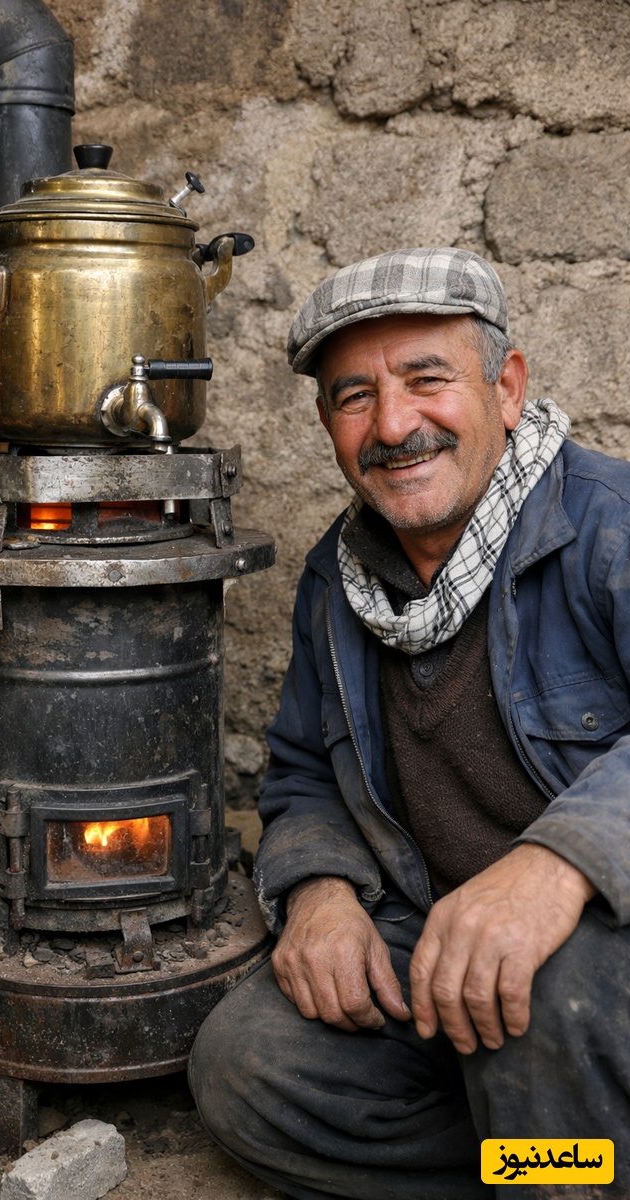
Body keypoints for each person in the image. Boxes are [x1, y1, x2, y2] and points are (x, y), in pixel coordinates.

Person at [189, 248, 630, 1199]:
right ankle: (551, 1163)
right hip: (437, 941)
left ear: (506, 388)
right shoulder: (336, 581)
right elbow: (303, 773)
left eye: (427, 380)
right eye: (355, 397)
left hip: (599, 946)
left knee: (538, 999)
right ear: (327, 423)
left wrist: (556, 865)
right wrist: (320, 894)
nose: (393, 425)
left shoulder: (610, 528)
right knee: (248, 1066)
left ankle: (561, 1154)